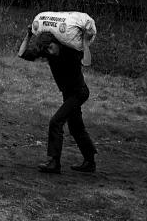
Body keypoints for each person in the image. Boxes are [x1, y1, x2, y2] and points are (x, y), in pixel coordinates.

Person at [20, 29, 97, 174]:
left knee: (56, 121)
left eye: (51, 47)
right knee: (76, 127)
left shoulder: (70, 51)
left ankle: (54, 162)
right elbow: (22, 54)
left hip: (79, 92)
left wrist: (85, 41)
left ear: (57, 43)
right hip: (68, 94)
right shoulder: (48, 51)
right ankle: (90, 162)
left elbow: (87, 62)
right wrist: (28, 34)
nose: (49, 51)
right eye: (46, 49)